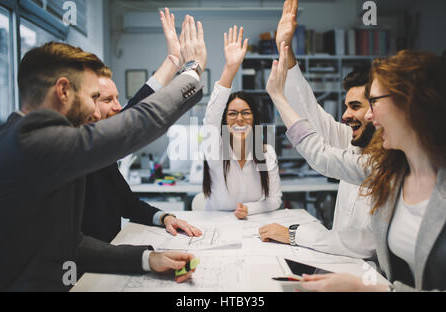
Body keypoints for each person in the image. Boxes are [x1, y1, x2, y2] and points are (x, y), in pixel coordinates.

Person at [0, 14, 207, 291]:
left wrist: (147, 258)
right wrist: (192, 70)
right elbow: (138, 122)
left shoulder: (37, 142)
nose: (98, 112)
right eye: (94, 97)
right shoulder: (32, 140)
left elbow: (70, 244)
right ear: (63, 91)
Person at [266, 41, 446, 291]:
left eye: (373, 102)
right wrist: (287, 52)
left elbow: (321, 155)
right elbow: (314, 124)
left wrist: (368, 288)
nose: (370, 115)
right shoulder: (391, 170)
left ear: (409, 104)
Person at [259, 0, 376, 260]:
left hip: (367, 274)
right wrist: (285, 48)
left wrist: (293, 234)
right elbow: (310, 112)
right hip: (336, 261)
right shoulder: (352, 140)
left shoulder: (388, 161)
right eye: (346, 106)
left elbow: (365, 245)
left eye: (355, 106)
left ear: (376, 110)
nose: (345, 116)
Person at [82, 8, 202, 245]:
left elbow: (126, 203)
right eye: (107, 100)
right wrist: (191, 70)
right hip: (87, 271)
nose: (118, 108)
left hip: (104, 263)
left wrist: (164, 217)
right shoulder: (80, 151)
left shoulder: (99, 153)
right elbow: (138, 115)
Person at [202, 25, 282, 220]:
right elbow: (211, 117)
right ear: (224, 121)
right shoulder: (216, 150)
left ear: (254, 118)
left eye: (246, 113)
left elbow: (275, 199)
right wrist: (230, 69)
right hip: (216, 225)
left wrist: (249, 209)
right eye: (232, 114)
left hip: (250, 224)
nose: (239, 119)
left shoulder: (265, 153)